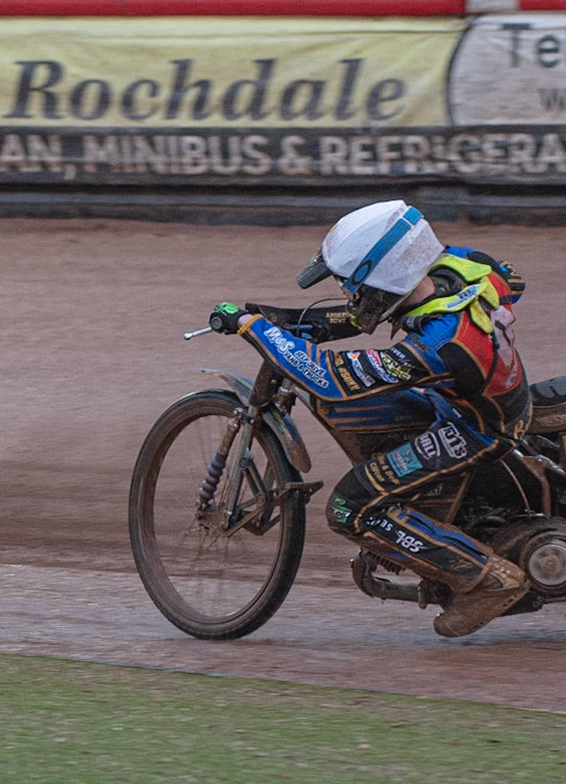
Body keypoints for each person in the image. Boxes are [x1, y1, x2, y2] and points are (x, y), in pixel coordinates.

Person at [207, 200, 533, 637]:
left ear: (387, 275)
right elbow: (512, 279)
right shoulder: (467, 265)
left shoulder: (441, 343)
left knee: (349, 507)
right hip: (478, 397)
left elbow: (331, 379)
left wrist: (256, 329)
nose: (349, 296)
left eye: (352, 287)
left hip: (476, 429)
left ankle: (486, 579)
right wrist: (286, 320)